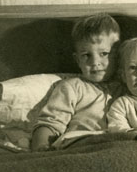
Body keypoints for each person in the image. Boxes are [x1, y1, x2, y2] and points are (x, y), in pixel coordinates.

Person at [31, 13, 125, 151]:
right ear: (77, 60)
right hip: (81, 145)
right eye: (86, 55)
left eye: (104, 54)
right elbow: (50, 123)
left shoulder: (127, 86)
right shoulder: (71, 87)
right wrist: (41, 148)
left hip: (117, 146)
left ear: (117, 54)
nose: (95, 63)